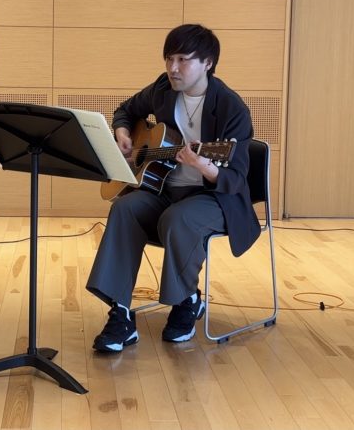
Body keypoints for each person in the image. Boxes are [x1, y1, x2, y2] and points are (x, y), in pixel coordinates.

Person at [87, 23, 260, 352]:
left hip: (214, 199)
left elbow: (236, 179)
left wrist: (203, 164)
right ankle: (120, 313)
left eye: (183, 59)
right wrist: (123, 132)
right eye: (169, 59)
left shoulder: (231, 108)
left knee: (179, 218)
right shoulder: (163, 89)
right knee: (124, 208)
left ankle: (186, 300)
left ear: (208, 62)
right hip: (165, 191)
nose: (173, 68)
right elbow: (126, 110)